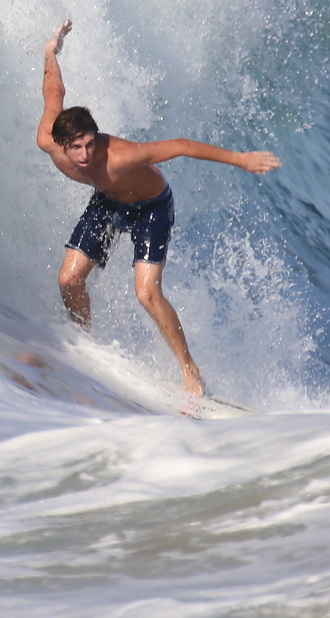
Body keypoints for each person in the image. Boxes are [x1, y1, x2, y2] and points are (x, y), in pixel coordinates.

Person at [36, 20, 280, 398]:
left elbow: (181, 145)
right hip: (108, 202)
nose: (85, 155)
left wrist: (241, 159)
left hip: (151, 207)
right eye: (76, 148)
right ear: (61, 145)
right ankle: (82, 343)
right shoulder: (48, 139)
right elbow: (55, 90)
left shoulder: (120, 156)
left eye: (89, 144)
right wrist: (52, 49)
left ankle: (190, 372)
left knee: (146, 293)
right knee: (68, 280)